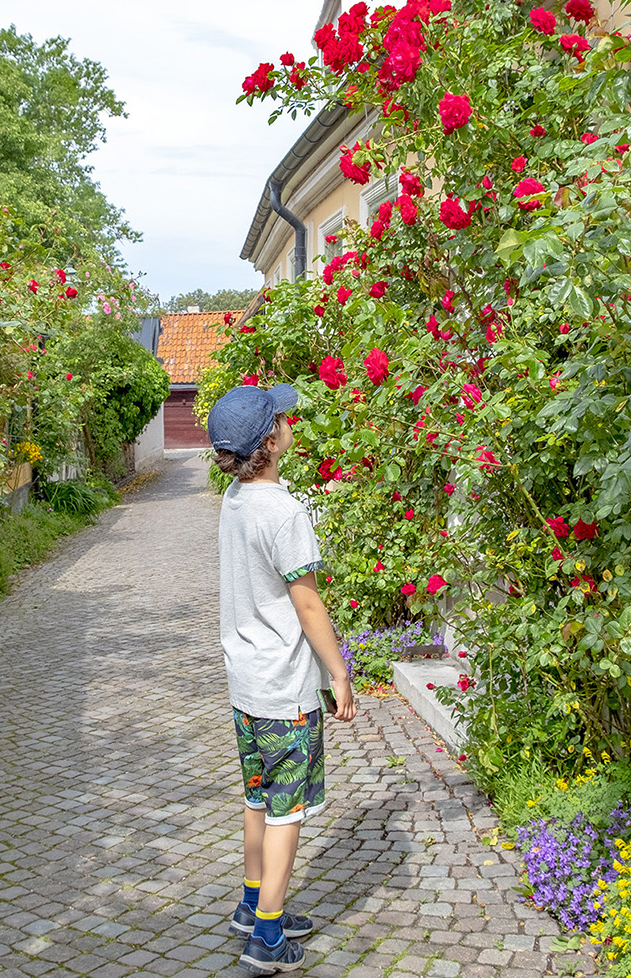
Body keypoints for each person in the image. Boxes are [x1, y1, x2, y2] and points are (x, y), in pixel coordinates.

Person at [207, 382, 356, 975]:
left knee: (256, 796)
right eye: (283, 418)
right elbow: (309, 606)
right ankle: (266, 937)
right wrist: (339, 674)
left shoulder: (234, 499)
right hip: (285, 689)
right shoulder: (286, 513)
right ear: (272, 439)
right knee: (286, 811)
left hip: (245, 685)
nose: (290, 422)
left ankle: (251, 904)